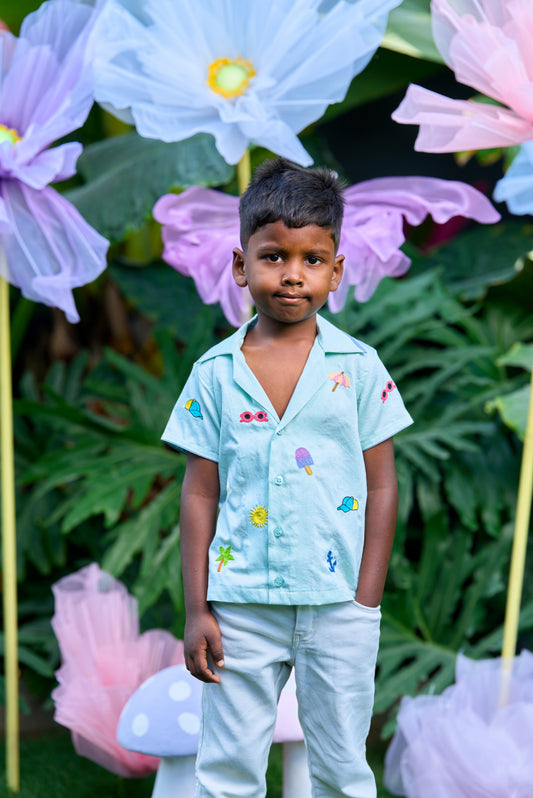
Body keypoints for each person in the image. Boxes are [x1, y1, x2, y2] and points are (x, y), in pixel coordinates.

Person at [162, 157, 413, 798]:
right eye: (274, 256)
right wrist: (197, 608)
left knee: (341, 770)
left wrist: (366, 599)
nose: (292, 275)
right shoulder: (214, 374)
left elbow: (383, 484)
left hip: (338, 608)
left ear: (336, 270)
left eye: (311, 259)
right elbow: (199, 492)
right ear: (242, 266)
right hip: (239, 605)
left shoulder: (358, 368)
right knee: (225, 771)